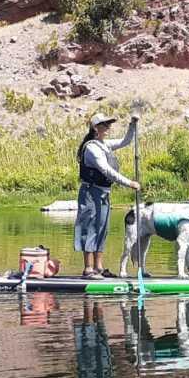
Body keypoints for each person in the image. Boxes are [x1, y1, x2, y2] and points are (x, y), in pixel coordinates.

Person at [74, 113, 141, 279]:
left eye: (108, 124)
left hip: (103, 193)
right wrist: (129, 183)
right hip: (90, 193)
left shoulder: (104, 144)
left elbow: (125, 141)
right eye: (104, 124)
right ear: (95, 128)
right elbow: (106, 170)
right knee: (90, 228)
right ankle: (88, 269)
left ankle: (99, 268)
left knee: (102, 229)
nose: (108, 127)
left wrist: (132, 125)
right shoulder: (91, 148)